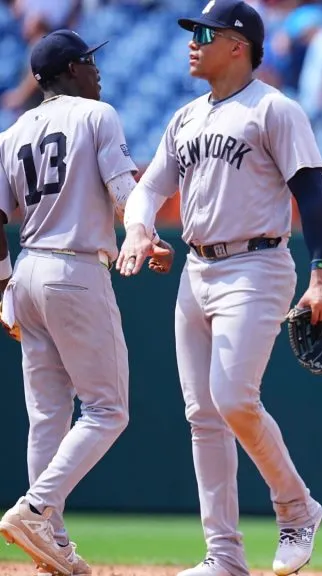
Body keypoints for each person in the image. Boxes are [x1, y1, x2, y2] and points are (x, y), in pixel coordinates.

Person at [117, 1, 322, 575]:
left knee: (234, 398)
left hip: (257, 265)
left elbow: (311, 196)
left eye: (204, 33)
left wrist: (321, 275)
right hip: (196, 268)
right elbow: (147, 189)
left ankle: (297, 508)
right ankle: (223, 557)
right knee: (202, 415)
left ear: (238, 45)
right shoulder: (185, 116)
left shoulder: (275, 109)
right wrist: (139, 228)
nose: (193, 42)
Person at [0, 29, 172, 576]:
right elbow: (125, 191)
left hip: (27, 270)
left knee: (47, 417)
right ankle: (34, 510)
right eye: (90, 64)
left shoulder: (12, 132)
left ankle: (53, 539)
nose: (97, 72)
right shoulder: (98, 116)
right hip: (75, 269)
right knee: (106, 410)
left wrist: (4, 287)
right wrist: (143, 233)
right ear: (72, 69)